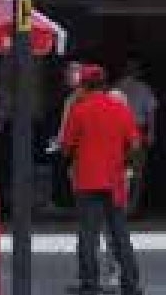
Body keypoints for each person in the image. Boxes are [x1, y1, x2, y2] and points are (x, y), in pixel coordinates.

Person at [61, 64, 144, 295]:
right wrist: (122, 159)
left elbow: (67, 147)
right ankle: (130, 282)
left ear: (85, 86)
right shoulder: (120, 109)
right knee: (119, 231)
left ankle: (89, 282)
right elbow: (135, 144)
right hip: (114, 179)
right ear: (104, 84)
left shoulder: (79, 110)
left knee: (88, 233)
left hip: (87, 180)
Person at [113, 59, 157, 215]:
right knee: (137, 171)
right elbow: (151, 112)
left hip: (118, 133)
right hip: (137, 131)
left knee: (119, 169)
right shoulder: (144, 88)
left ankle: (119, 205)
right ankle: (132, 206)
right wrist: (151, 132)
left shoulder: (116, 88)